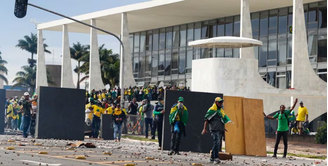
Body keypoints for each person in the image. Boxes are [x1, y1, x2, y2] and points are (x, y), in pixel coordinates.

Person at [201, 97, 232, 164]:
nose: (221, 103)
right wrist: (204, 129)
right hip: (214, 129)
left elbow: (221, 120)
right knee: (217, 142)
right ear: (216, 102)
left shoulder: (220, 111)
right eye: (219, 102)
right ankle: (216, 158)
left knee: (216, 143)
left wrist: (223, 128)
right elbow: (206, 119)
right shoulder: (212, 110)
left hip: (220, 129)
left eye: (221, 102)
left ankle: (212, 158)